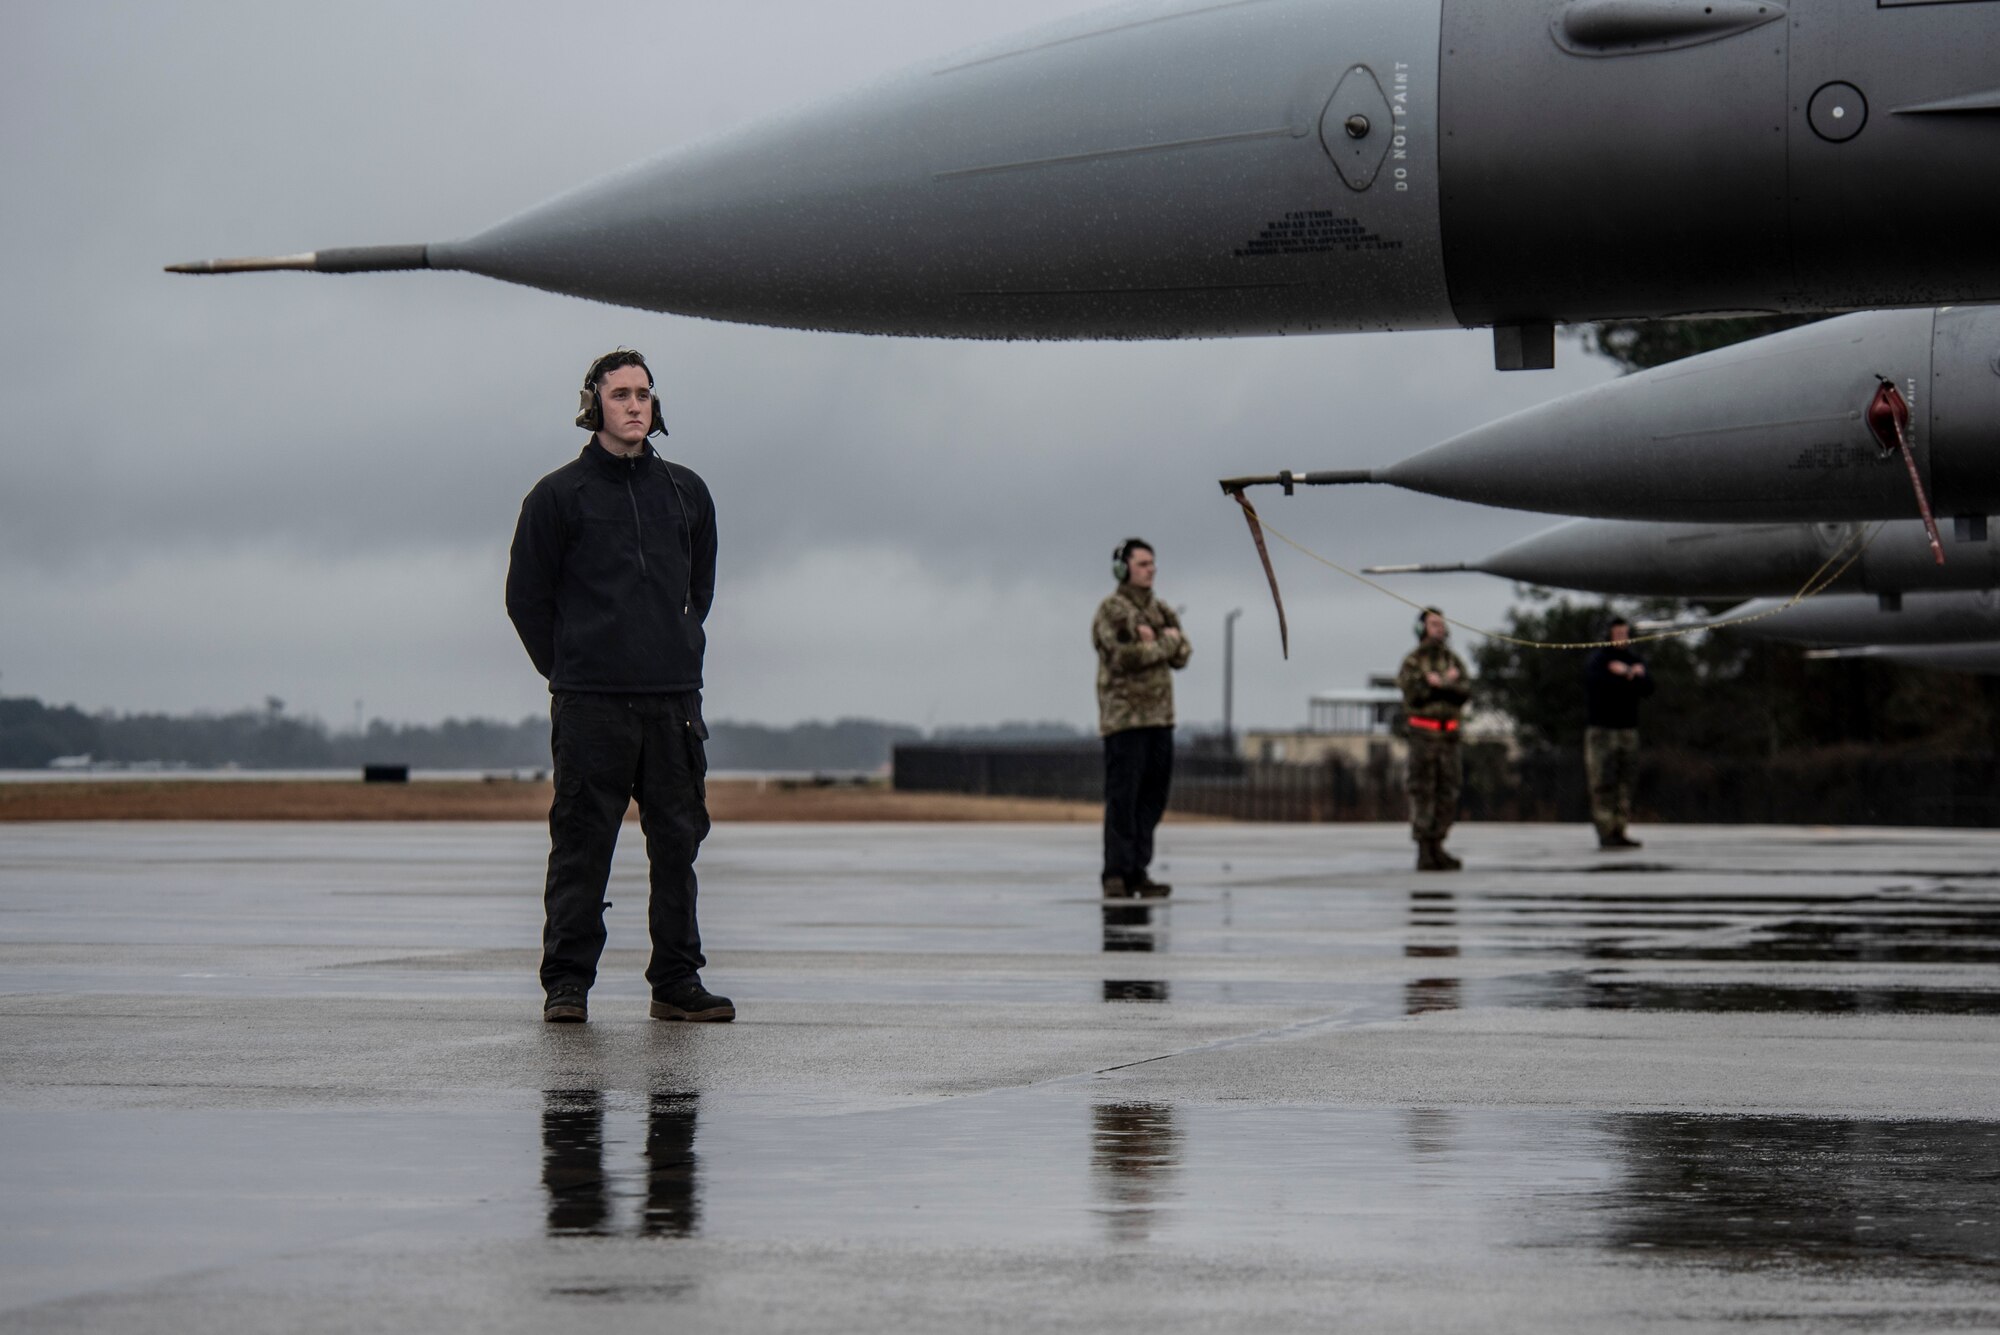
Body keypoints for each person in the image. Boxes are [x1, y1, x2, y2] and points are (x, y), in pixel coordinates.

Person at [506, 348, 732, 1025]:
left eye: (644, 393)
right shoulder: (557, 497)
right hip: (591, 706)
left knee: (677, 845)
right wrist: (572, 667)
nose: (635, 405)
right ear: (593, 405)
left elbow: (702, 589)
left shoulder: (687, 492)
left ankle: (676, 981)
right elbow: (526, 600)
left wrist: (675, 644)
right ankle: (567, 984)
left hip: (672, 704)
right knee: (580, 845)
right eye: (620, 394)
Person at [1093, 539, 1191, 898]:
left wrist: (1158, 642)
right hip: (1125, 721)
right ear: (1123, 568)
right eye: (1143, 563)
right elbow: (1124, 655)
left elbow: (1184, 653)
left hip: (1160, 720)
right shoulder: (1112, 611)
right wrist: (1164, 644)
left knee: (1152, 798)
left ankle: (1138, 870)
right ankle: (1115, 873)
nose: (1150, 569)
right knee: (1123, 798)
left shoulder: (1160, 610)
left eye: (1152, 563)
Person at [1397, 607, 1472, 872]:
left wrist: (1442, 685)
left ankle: (1438, 844)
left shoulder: (1453, 661)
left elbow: (1464, 691)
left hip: (1448, 735)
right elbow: (1413, 693)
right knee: (1422, 790)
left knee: (1448, 790)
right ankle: (1424, 849)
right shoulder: (1414, 661)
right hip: (1423, 735)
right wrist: (1435, 685)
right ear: (1422, 628)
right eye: (1433, 624)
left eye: (1441, 624)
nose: (1439, 628)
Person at [1583, 617, 1653, 850]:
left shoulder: (1633, 660)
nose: (1622, 638)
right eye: (1618, 634)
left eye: (1625, 633)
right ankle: (1606, 830)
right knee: (1603, 782)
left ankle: (1620, 829)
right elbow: (1598, 684)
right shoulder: (1599, 660)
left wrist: (1629, 674)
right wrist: (1627, 676)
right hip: (1602, 730)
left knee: (1625, 783)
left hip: (1627, 729)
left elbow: (1648, 687)